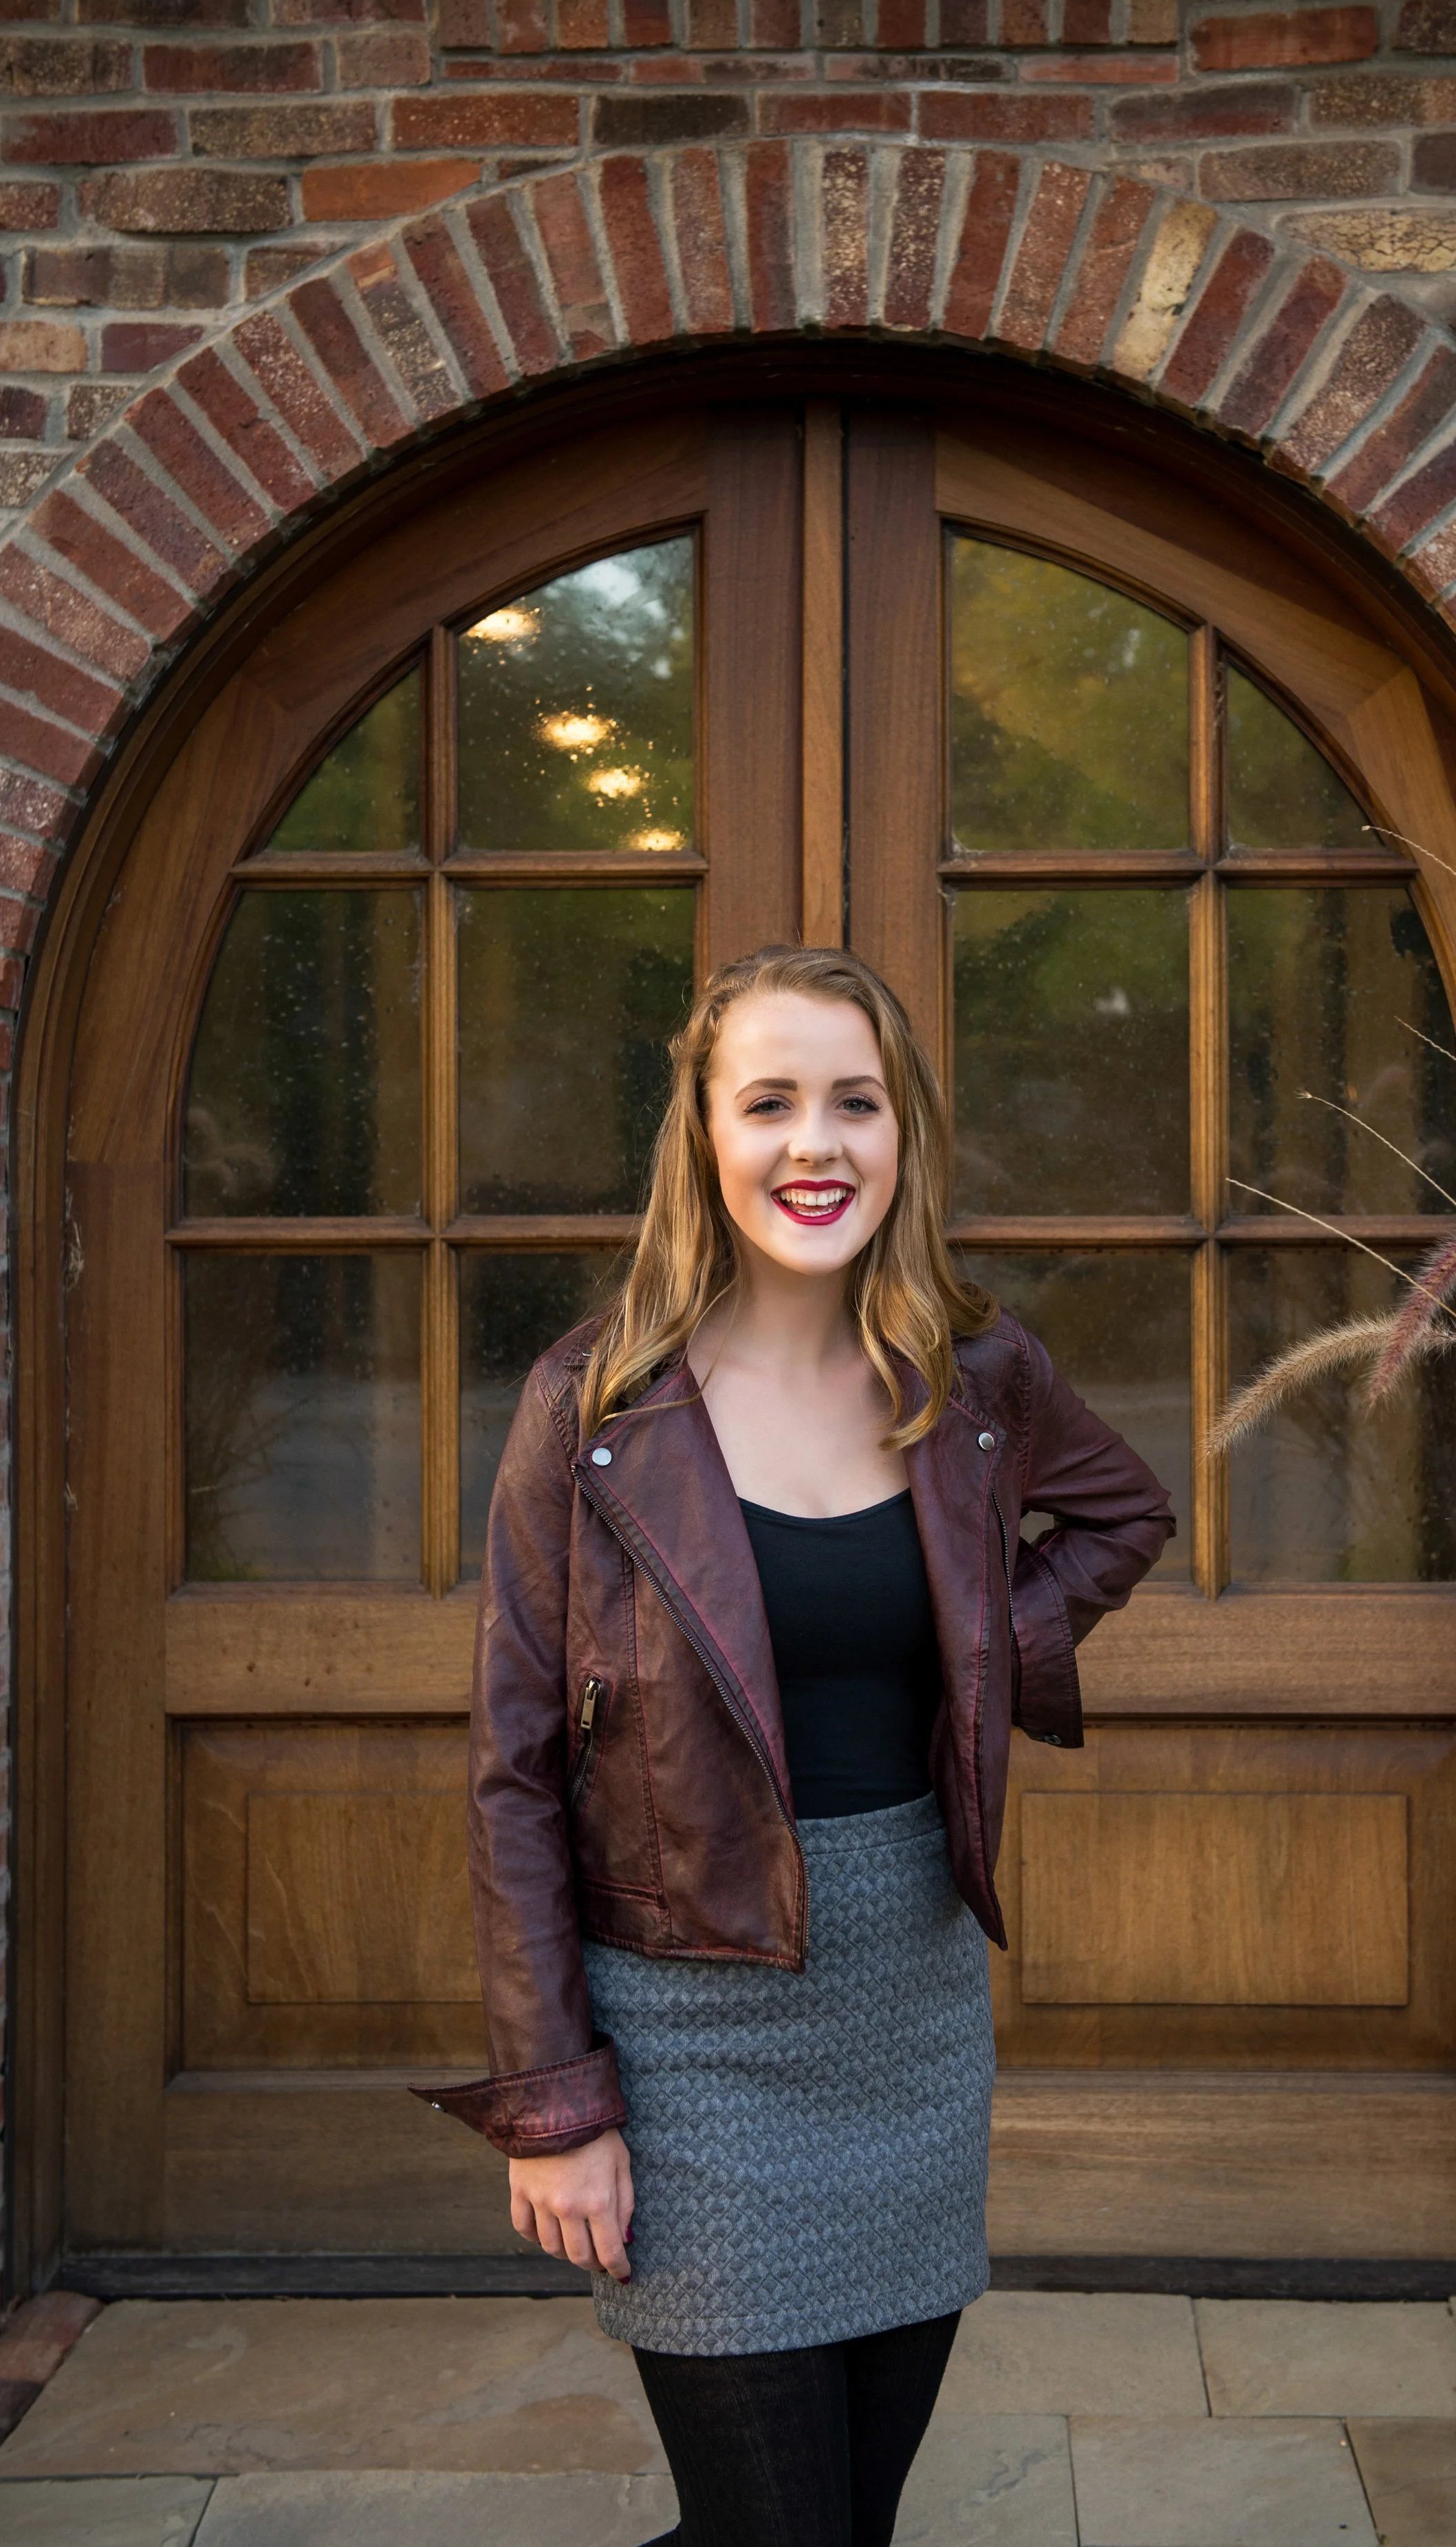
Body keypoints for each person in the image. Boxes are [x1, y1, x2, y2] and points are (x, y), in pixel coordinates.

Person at [421, 944, 1174, 2546]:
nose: (813, 1146)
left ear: (905, 1136)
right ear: (703, 1136)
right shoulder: (596, 1401)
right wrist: (559, 2103)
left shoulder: (972, 1376)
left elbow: (1119, 1516)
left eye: (856, 1103)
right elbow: (513, 1768)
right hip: (688, 2033)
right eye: (767, 1103)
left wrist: (993, 1648)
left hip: (905, 2010)